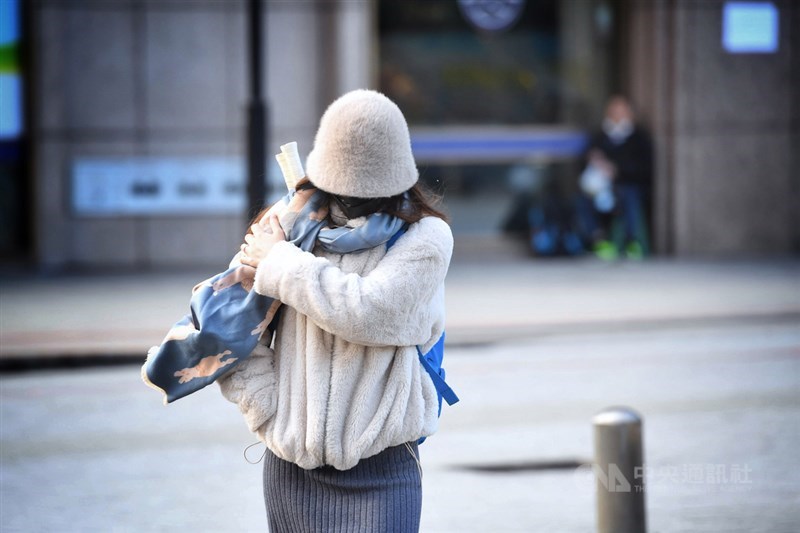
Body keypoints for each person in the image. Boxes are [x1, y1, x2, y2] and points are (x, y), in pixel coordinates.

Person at [217, 89, 453, 532]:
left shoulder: (426, 239)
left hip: (383, 469)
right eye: (344, 191)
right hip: (292, 472)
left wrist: (280, 263)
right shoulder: (288, 224)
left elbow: (369, 312)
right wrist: (268, 409)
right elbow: (228, 321)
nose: (352, 201)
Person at [577, 95, 654, 259]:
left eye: (621, 110)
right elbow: (584, 160)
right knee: (583, 200)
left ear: (630, 113)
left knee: (629, 195)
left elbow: (644, 169)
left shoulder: (639, 137)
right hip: (602, 188)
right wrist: (595, 161)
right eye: (614, 110)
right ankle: (600, 241)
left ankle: (632, 242)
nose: (617, 114)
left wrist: (616, 170)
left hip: (627, 186)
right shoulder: (599, 136)